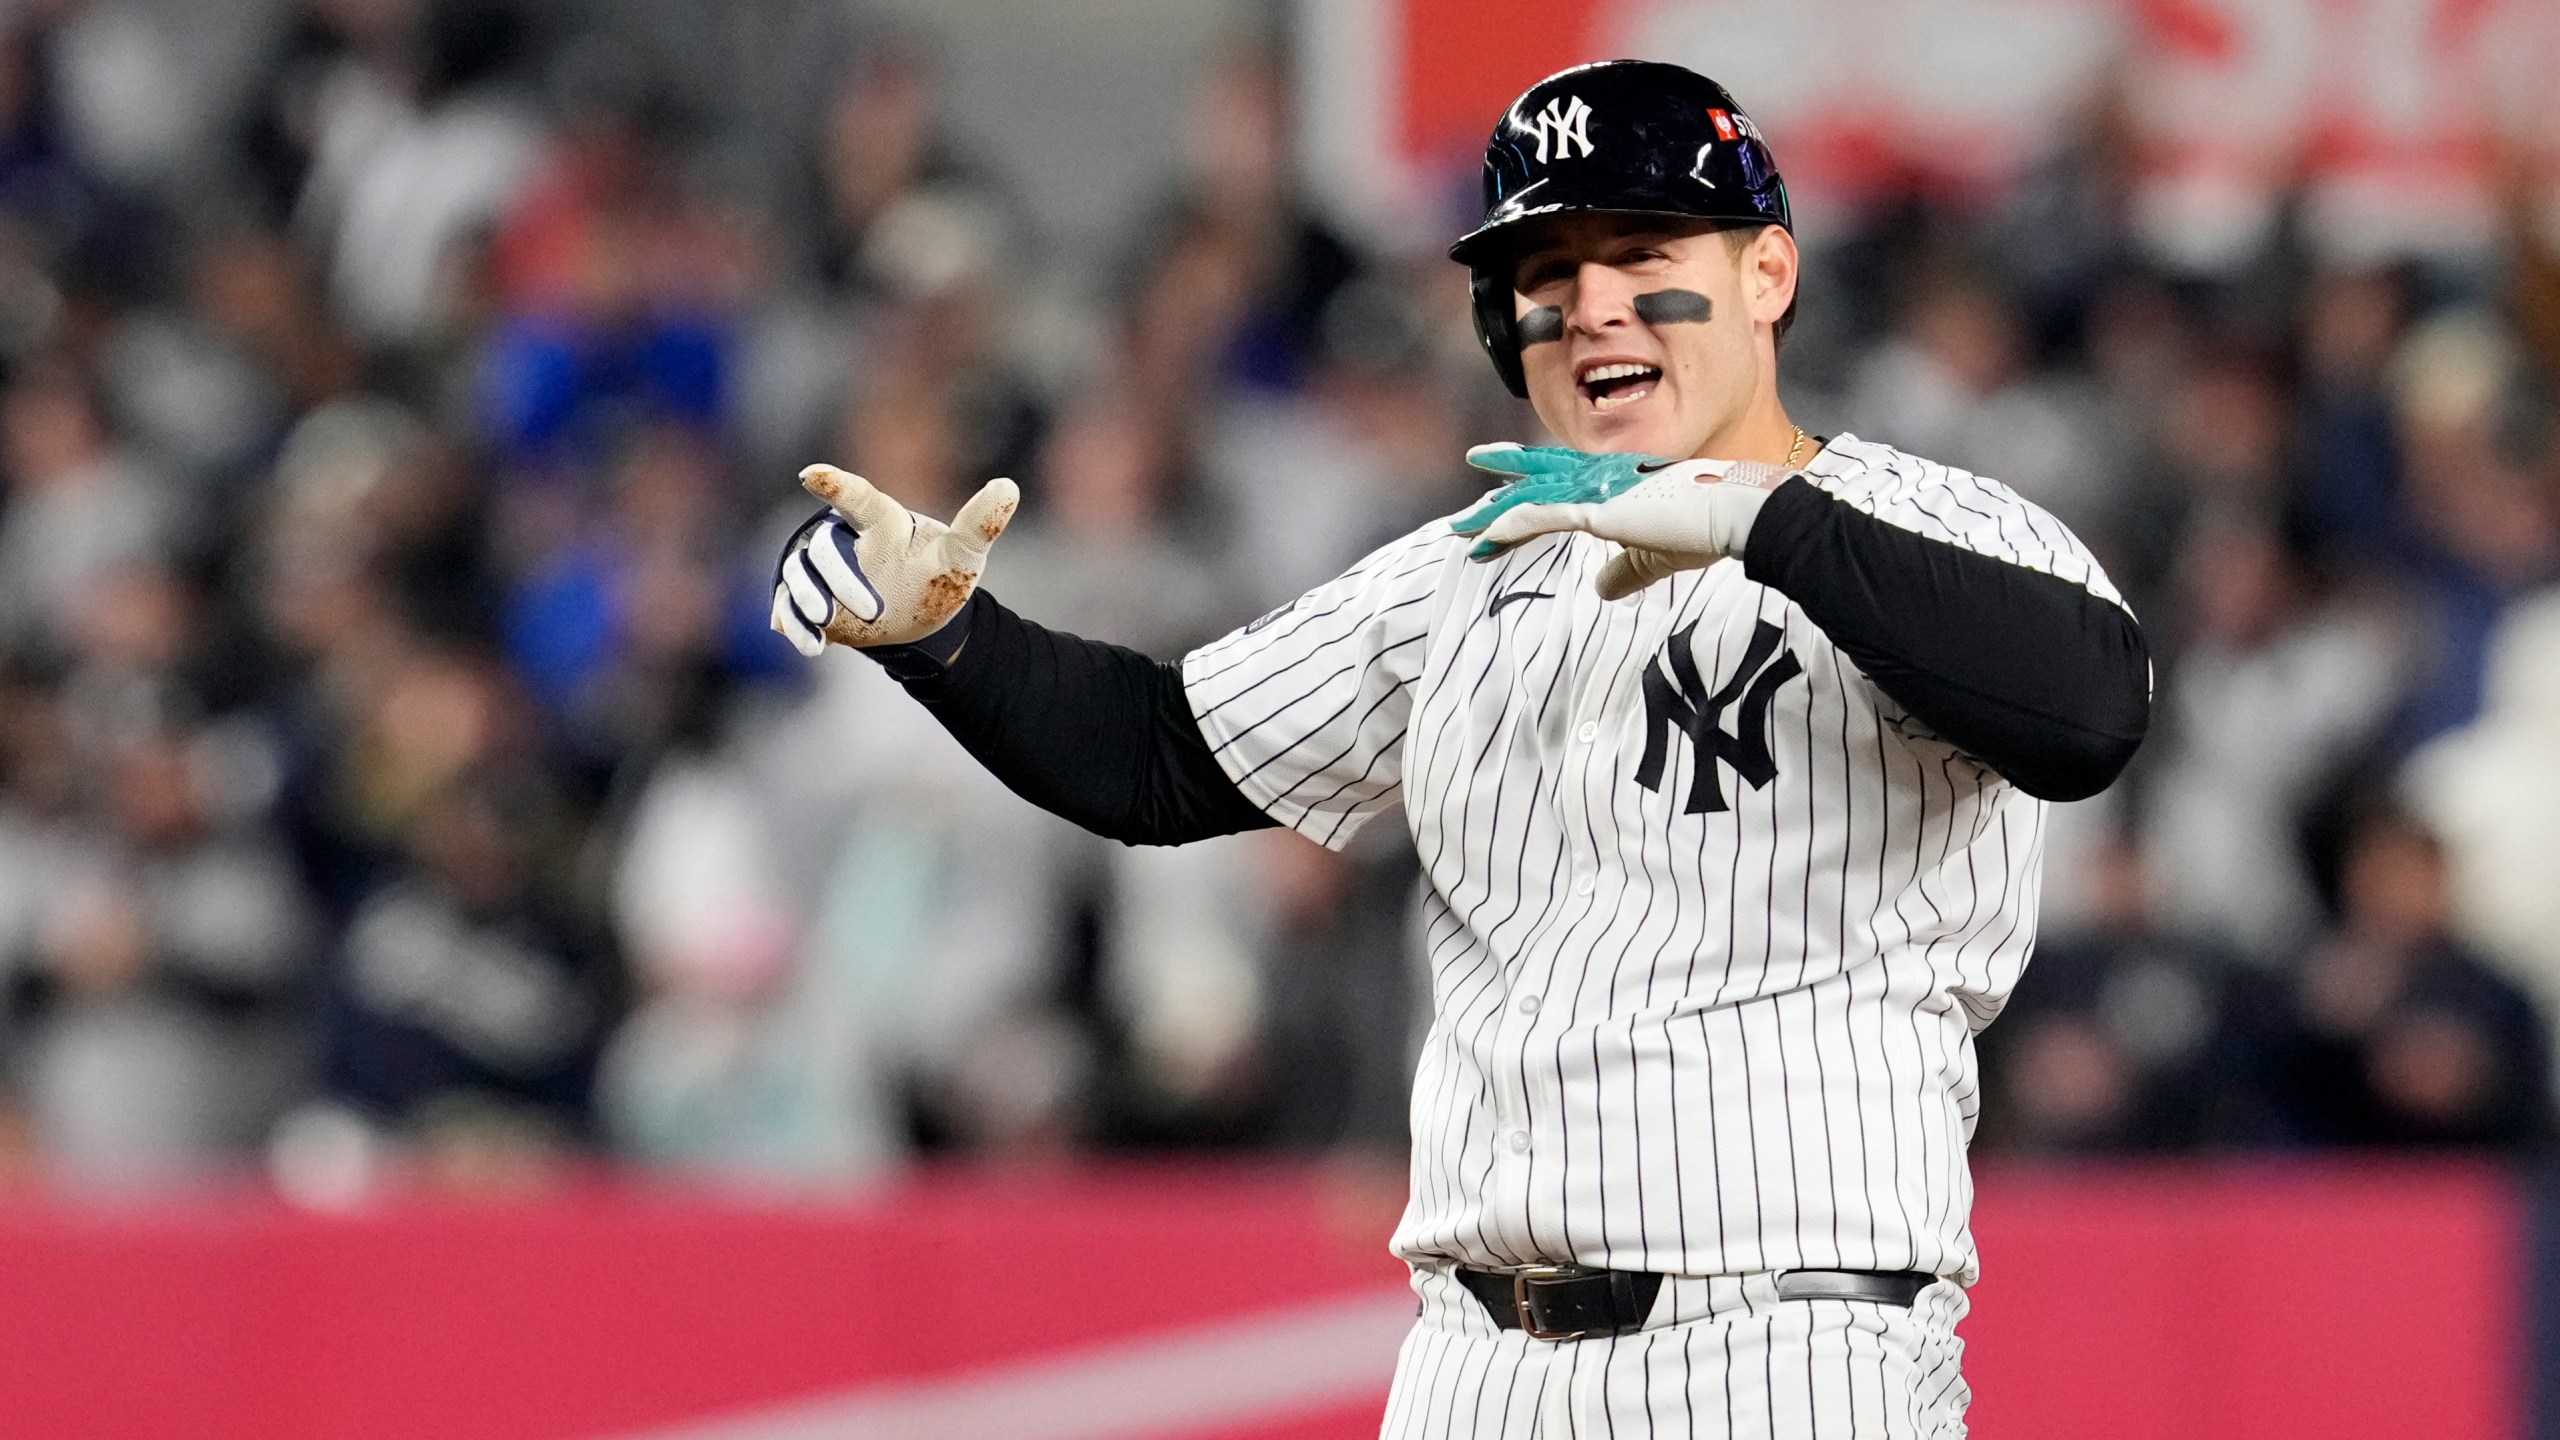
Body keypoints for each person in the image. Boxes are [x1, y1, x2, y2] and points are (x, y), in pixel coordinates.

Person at [769, 60, 2150, 1439]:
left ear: (1767, 274)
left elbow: (2089, 710)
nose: (1592, 303)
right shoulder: (1465, 573)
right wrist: (947, 638)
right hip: (1476, 1359)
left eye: (1642, 249)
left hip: (1787, 1344)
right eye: (1548, 267)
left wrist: (1758, 519)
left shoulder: (1918, 522)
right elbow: (1159, 756)